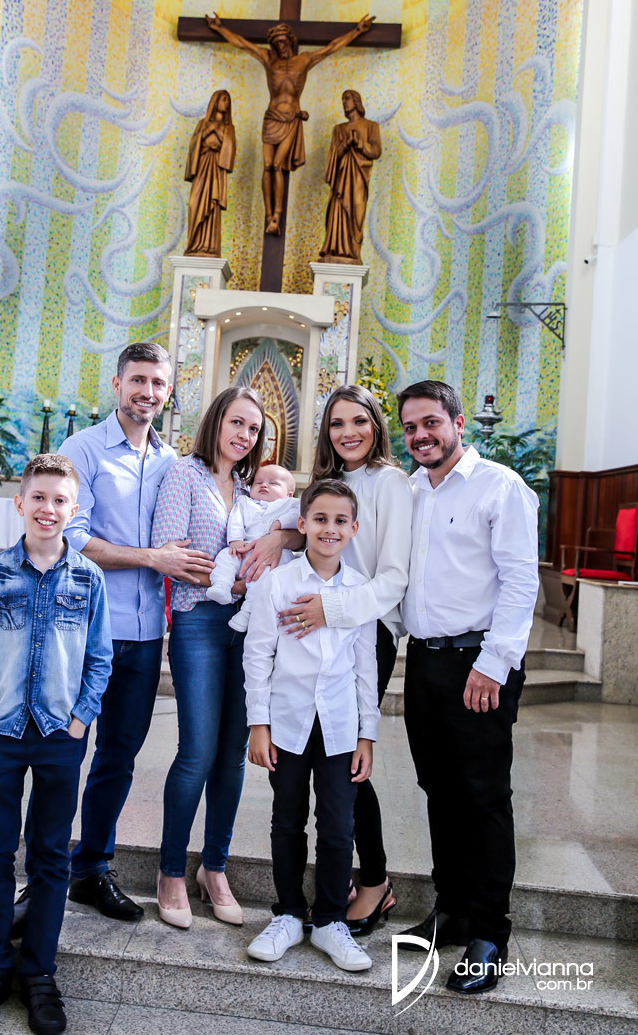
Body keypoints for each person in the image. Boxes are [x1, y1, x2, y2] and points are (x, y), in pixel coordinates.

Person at [15, 343, 214, 932]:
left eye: (158, 383)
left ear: (169, 392)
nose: (147, 392)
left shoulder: (174, 462)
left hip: (146, 634)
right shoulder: (83, 450)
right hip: (83, 628)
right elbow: (72, 537)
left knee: (118, 758)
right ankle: (40, 877)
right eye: (138, 380)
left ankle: (91, 867)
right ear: (118, 383)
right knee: (62, 753)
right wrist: (153, 557)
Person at [0, 454, 112, 1035]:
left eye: (60, 500)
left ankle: (39, 971)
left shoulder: (88, 578)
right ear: (20, 503)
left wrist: (79, 720)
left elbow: (99, 657)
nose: (49, 508)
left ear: (75, 510)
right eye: (39, 498)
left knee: (49, 854)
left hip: (58, 737)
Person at [397, 380, 539, 994]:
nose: (420, 435)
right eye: (410, 427)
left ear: (457, 422)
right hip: (425, 660)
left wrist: (494, 663)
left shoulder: (499, 486)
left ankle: (489, 932)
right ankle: (451, 908)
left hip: (479, 662)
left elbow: (520, 581)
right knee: (438, 790)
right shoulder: (409, 492)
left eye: (431, 422)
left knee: (483, 797)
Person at [152, 386, 299, 929]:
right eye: (237, 423)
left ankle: (213, 868)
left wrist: (275, 545)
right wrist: (234, 577)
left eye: (254, 429)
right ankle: (171, 871)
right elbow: (171, 553)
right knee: (197, 751)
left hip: (250, 626)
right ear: (216, 420)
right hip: (199, 622)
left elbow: (290, 536)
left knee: (233, 755)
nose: (244, 435)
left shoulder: (250, 488)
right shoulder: (184, 475)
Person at [277, 385, 412, 935]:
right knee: (323, 753)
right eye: (336, 423)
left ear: (376, 425)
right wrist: (276, 539)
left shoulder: (390, 482)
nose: (348, 432)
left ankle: (375, 880)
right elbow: (303, 532)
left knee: (347, 758)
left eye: (359, 421)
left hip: (365, 629)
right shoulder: (328, 482)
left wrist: (331, 609)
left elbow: (394, 578)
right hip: (314, 628)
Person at [243, 479, 377, 972]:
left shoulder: (360, 591)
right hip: (287, 721)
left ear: (354, 529)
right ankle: (287, 914)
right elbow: (258, 655)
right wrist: (258, 724)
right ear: (302, 524)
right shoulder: (277, 583)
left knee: (338, 825)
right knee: (287, 819)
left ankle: (329, 921)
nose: (329, 528)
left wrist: (367, 734)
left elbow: (366, 667)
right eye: (320, 519)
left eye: (340, 520)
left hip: (340, 726)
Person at [205, 13, 373, 233]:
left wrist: (358, 31)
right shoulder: (269, 59)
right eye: (277, 43)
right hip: (271, 118)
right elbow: (242, 43)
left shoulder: (303, 60)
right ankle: (268, 216)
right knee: (267, 166)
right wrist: (219, 28)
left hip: (291, 119)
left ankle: (277, 215)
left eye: (283, 42)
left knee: (277, 165)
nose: (281, 46)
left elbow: (331, 47)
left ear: (291, 41)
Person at [205, 462, 299, 632]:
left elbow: (298, 516)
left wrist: (280, 523)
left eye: (273, 483)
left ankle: (247, 611)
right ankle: (221, 585)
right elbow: (236, 520)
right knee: (225, 556)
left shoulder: (291, 504)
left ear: (289, 494)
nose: (264, 485)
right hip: (245, 549)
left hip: (271, 558)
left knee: (267, 577)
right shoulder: (244, 502)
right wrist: (235, 539)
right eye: (258, 482)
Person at [319, 90, 381, 265]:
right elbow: (333, 157)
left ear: (356, 101)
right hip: (341, 180)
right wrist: (346, 144)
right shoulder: (338, 130)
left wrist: (359, 143)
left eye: (347, 98)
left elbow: (376, 151)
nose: (344, 102)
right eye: (342, 99)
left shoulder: (370, 126)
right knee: (338, 209)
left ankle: (353, 251)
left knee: (356, 211)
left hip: (359, 177)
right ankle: (334, 247)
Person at [183, 89, 236, 258]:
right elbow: (193, 147)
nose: (226, 103)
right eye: (223, 99)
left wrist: (218, 133)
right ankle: (193, 245)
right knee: (194, 203)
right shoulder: (202, 124)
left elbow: (230, 148)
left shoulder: (229, 128)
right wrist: (208, 131)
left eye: (228, 101)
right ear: (215, 102)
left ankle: (209, 246)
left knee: (212, 207)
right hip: (202, 167)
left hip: (216, 169)